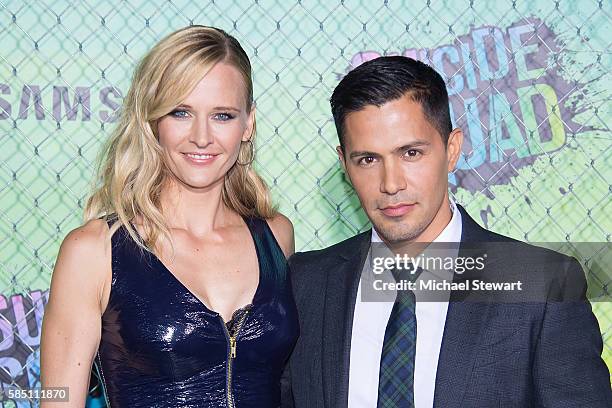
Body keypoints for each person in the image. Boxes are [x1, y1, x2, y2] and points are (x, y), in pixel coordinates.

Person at [281, 56, 611, 407]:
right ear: (344, 162)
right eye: (368, 160)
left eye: (410, 153)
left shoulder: (543, 287)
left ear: (451, 150)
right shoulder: (306, 283)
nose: (391, 184)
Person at [40, 25, 298, 407]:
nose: (202, 137)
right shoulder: (94, 251)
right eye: (181, 112)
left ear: (249, 125)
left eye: (223, 115)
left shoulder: (277, 236)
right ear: (151, 122)